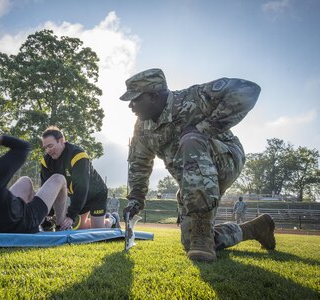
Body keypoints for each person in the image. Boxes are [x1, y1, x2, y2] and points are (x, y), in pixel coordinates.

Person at [120, 68, 275, 262]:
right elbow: (139, 163)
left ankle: (202, 232)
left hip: (225, 159)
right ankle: (253, 229)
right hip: (193, 181)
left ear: (153, 96)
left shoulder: (193, 97)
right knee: (190, 242)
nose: (131, 106)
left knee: (191, 139)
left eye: (135, 99)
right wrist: (135, 199)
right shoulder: (142, 127)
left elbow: (248, 90)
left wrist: (204, 128)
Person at [40, 126, 115, 230]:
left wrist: (71, 216)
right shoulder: (46, 162)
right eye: (45, 147)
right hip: (78, 196)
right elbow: (47, 190)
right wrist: (48, 215)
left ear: (61, 141)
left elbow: (82, 189)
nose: (48, 150)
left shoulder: (78, 155)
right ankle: (93, 221)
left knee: (97, 231)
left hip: (96, 194)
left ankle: (112, 219)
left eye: (50, 146)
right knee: (81, 228)